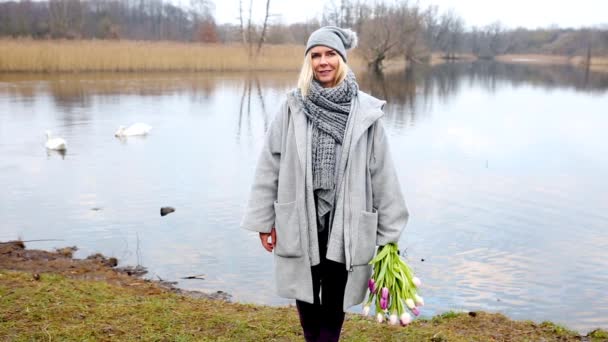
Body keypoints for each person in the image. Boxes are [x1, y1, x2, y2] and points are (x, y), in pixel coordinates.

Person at [241, 26, 409, 342]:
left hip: (346, 219)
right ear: (308, 62)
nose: (323, 61)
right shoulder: (292, 106)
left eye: (330, 54)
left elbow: (383, 174)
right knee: (304, 291)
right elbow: (269, 165)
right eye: (315, 55)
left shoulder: (366, 112)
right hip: (300, 215)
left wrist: (390, 234)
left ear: (342, 59)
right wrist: (264, 222)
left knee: (335, 295)